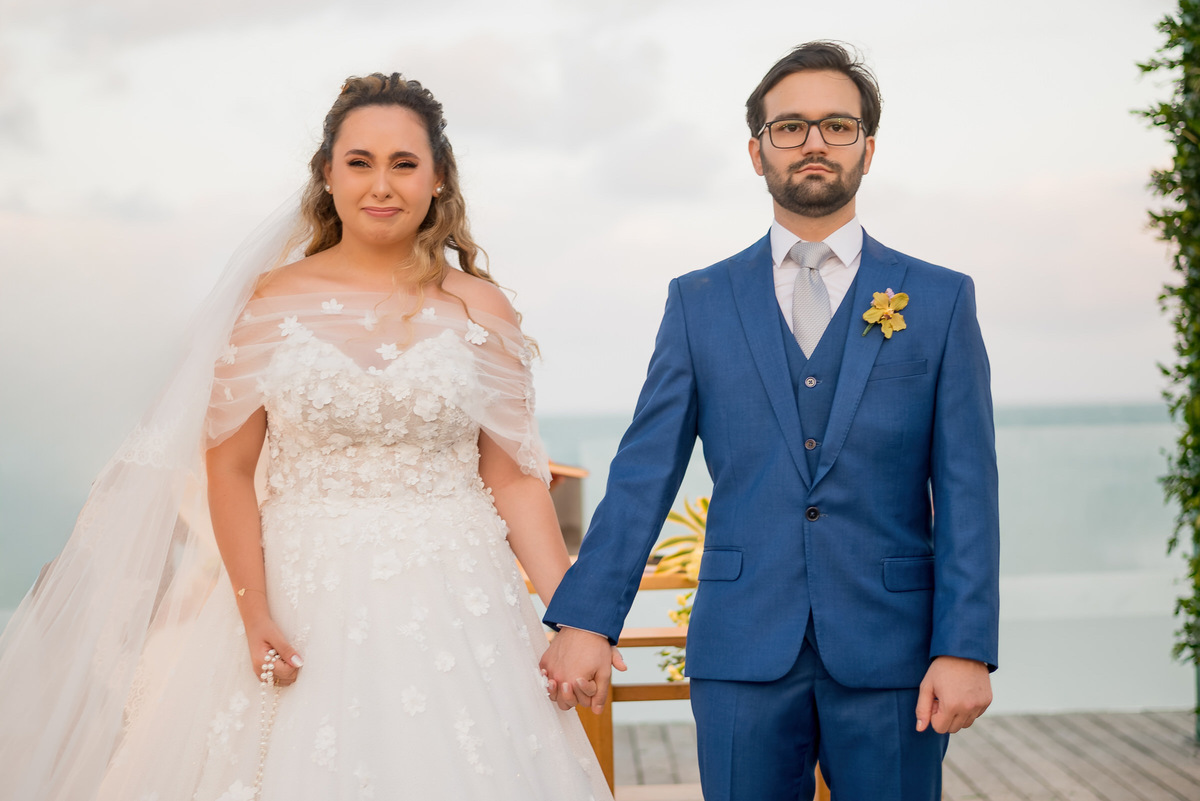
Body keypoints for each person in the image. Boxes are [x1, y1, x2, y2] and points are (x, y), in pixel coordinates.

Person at [0, 73, 614, 801]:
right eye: (359, 162)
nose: (381, 184)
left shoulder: (482, 308)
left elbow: (513, 478)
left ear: (438, 178)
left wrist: (575, 620)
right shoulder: (267, 303)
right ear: (327, 173)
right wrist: (253, 611)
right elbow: (230, 470)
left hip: (459, 597)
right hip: (302, 598)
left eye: (404, 163)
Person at [540, 41, 1000, 801]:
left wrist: (967, 645)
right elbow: (645, 471)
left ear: (868, 149)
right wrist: (588, 618)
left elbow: (967, 489)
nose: (814, 142)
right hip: (741, 645)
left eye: (837, 126)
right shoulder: (699, 301)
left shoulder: (940, 299)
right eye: (790, 127)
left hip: (895, 649)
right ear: (757, 152)